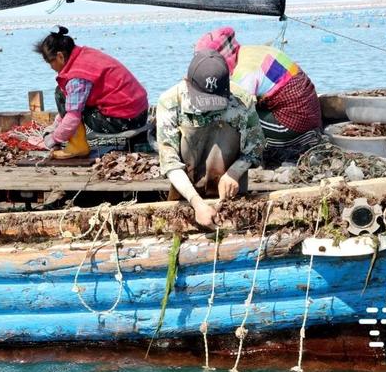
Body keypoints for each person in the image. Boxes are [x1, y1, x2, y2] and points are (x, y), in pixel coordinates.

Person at [157, 49, 265, 228]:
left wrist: (234, 173)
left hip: (231, 197)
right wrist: (197, 203)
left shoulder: (242, 102)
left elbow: (255, 147)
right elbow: (170, 163)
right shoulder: (169, 103)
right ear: (186, 82)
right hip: (186, 195)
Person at [195, 27, 322, 164]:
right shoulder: (249, 51)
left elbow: (239, 111)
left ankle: (254, 155)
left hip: (295, 121)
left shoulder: (245, 73)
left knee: (232, 119)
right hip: (309, 110)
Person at [34, 26, 149, 159]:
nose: (51, 67)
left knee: (60, 93)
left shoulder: (76, 78)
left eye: (50, 63)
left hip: (125, 120)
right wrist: (56, 125)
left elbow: (72, 117)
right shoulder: (85, 54)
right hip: (140, 114)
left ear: (60, 56)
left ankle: (77, 146)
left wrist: (54, 139)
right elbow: (72, 103)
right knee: (68, 97)